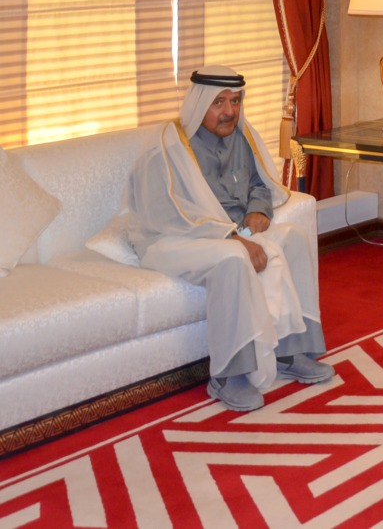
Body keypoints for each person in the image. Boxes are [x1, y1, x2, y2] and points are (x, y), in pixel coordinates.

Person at [125, 65, 333, 412]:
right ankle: (227, 374)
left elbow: (258, 183)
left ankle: (291, 349)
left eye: (235, 101)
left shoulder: (241, 136)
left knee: (293, 238)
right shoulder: (169, 145)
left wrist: (259, 211)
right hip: (172, 240)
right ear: (198, 103)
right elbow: (169, 213)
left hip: (235, 230)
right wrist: (231, 238)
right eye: (218, 102)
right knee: (234, 260)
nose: (229, 111)